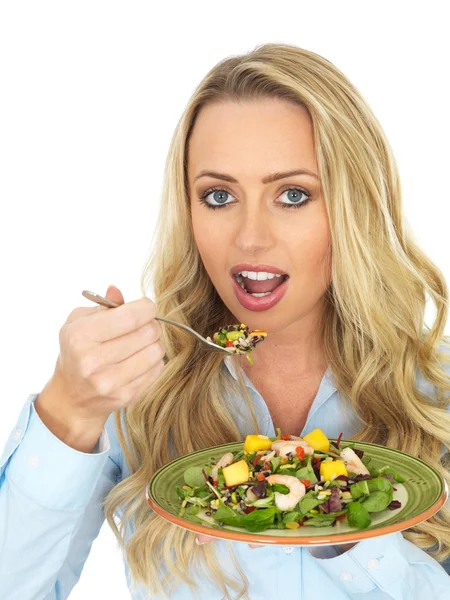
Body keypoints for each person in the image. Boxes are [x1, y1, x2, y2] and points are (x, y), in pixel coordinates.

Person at [1, 42, 450, 600]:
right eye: (218, 196)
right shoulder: (138, 393)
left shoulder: (436, 393)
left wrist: (342, 514)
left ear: (353, 205)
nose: (250, 238)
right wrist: (68, 411)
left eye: (292, 194)